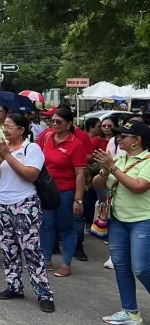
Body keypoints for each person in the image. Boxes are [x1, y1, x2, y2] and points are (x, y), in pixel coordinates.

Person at [0, 112, 55, 313]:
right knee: (8, 247)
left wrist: (7, 156)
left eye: (9, 126)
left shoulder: (31, 148)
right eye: (4, 126)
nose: (5, 129)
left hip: (25, 203)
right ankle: (14, 286)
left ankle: (44, 293)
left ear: (21, 130)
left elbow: (30, 174)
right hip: (1, 203)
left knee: (31, 249)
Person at [92, 121, 150, 325]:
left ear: (137, 141)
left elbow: (138, 186)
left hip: (142, 221)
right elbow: (97, 184)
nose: (119, 138)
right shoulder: (118, 158)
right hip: (117, 220)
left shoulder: (148, 161)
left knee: (142, 268)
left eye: (124, 135)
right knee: (121, 266)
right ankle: (130, 312)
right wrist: (105, 171)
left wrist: (112, 168)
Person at [38, 107, 86, 277]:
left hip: (66, 192)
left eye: (59, 121)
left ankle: (66, 264)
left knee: (66, 227)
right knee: (46, 226)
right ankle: (46, 260)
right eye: (52, 121)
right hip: (46, 190)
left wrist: (78, 199)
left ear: (69, 124)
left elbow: (80, 173)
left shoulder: (75, 144)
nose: (54, 124)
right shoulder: (46, 137)